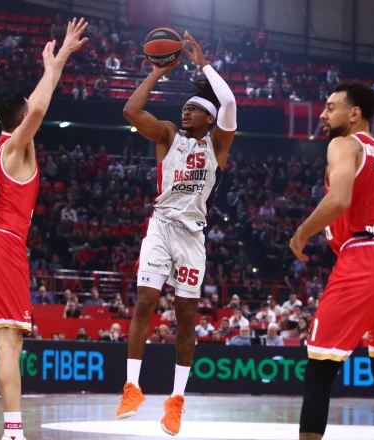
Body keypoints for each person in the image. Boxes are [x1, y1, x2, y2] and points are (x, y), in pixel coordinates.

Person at [0, 18, 88, 440]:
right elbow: (39, 109)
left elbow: (36, 106)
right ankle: (12, 432)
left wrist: (56, 66)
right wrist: (53, 65)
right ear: (21, 118)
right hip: (1, 244)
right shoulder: (14, 146)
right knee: (8, 343)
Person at [116, 30, 237, 436]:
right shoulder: (168, 135)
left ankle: (176, 400)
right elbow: (131, 111)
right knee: (145, 303)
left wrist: (204, 65)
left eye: (194, 108)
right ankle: (131, 388)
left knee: (186, 318)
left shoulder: (218, 145)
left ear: (209, 117)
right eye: (184, 107)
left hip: (193, 236)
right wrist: (156, 72)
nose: (186, 111)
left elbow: (230, 102)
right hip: (161, 226)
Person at [290, 82, 374, 440]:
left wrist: (301, 233)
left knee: (320, 368)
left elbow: (339, 200)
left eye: (331, 107)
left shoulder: (344, 144)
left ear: (355, 113)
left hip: (363, 257)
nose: (323, 114)